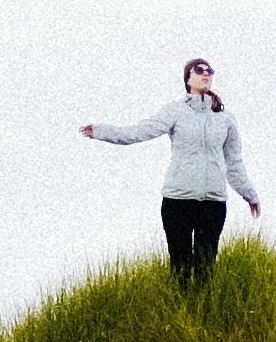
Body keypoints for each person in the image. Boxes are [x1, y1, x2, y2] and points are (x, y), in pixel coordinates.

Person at [84, 57, 265, 298]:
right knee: (180, 266)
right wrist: (101, 131)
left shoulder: (225, 119)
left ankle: (201, 320)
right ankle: (177, 314)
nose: (206, 74)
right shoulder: (175, 111)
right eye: (199, 70)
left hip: (212, 203)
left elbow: (234, 163)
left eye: (209, 71)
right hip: (178, 201)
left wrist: (249, 194)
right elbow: (139, 132)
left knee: (205, 268)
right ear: (188, 78)